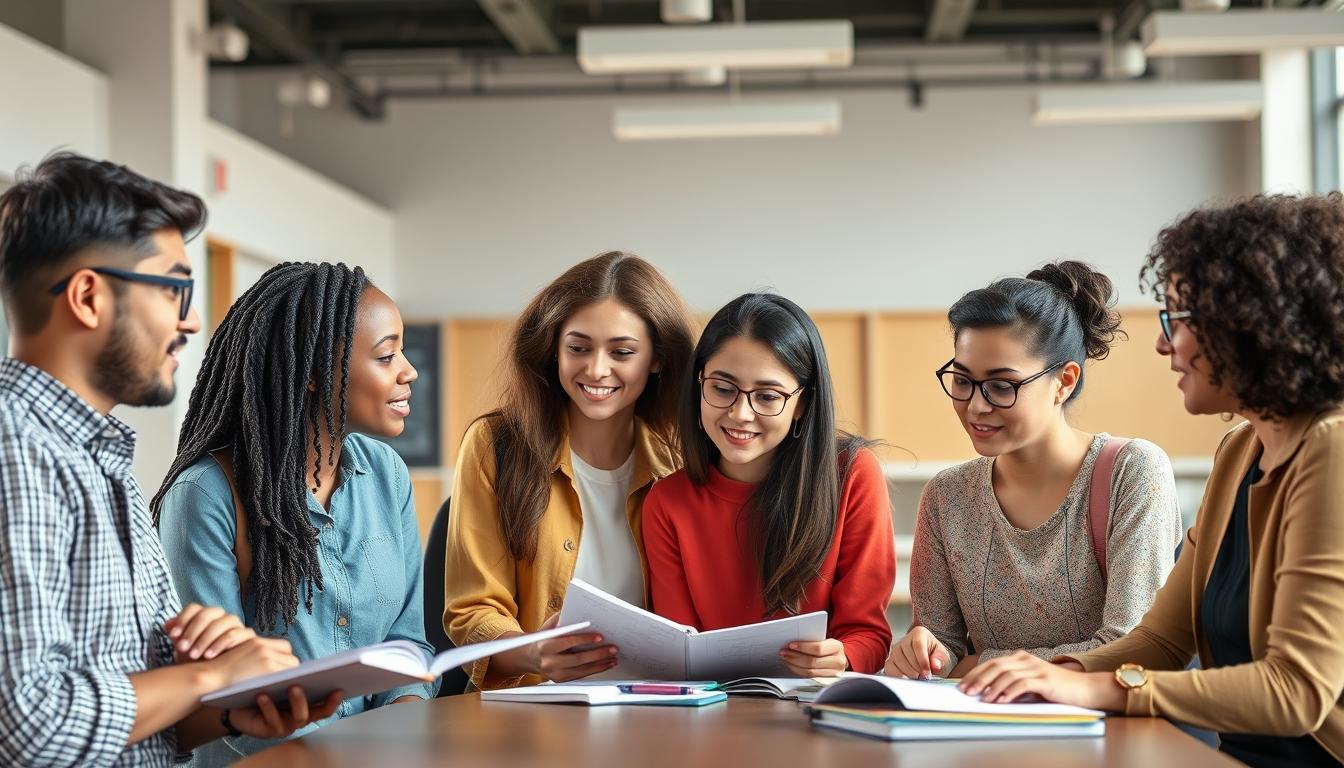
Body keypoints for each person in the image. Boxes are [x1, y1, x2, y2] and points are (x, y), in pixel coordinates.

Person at [957, 194, 1344, 767]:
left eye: (1178, 321)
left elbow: (1295, 693)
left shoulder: (1332, 449)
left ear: (1253, 323)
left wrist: (1099, 689)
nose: (1164, 343)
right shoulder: (1241, 448)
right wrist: (1046, 676)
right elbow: (1161, 642)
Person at [0, 153, 338, 767]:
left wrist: (240, 704)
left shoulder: (107, 465)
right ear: (87, 296)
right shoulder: (13, 450)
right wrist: (207, 679)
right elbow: (31, 729)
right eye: (175, 287)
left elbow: (145, 729)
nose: (191, 319)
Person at [153, 262, 432, 764]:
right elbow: (218, 689)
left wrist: (405, 724)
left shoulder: (387, 473)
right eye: (387, 356)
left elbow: (406, 642)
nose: (408, 370)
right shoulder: (205, 495)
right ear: (311, 375)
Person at [885, 262, 1182, 680]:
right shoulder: (947, 496)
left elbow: (1129, 647)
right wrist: (924, 652)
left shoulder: (1131, 472)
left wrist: (980, 664)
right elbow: (942, 643)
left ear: (1063, 382)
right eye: (963, 380)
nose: (976, 406)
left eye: (1002, 386)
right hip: (984, 725)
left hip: (1106, 731)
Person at [444, 251, 696, 689]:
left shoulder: (681, 465)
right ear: (553, 350)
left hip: (650, 715)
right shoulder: (494, 445)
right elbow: (471, 614)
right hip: (527, 722)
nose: (596, 369)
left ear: (657, 359)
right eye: (578, 348)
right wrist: (535, 654)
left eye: (622, 352)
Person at [642, 293, 896, 676]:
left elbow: (868, 636)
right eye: (722, 388)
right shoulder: (667, 501)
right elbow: (680, 651)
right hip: (710, 714)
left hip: (813, 708)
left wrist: (841, 656)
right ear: (699, 386)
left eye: (767, 396)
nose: (740, 414)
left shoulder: (852, 474)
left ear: (803, 403)